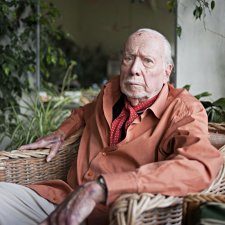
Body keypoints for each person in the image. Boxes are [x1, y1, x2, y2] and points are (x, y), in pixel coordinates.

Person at [0, 28, 223, 225]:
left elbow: (198, 166)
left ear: (167, 71)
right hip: (61, 198)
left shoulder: (183, 110)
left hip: (118, 215)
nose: (135, 69)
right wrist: (61, 133)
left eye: (147, 61)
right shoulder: (111, 91)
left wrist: (103, 186)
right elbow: (83, 113)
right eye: (129, 58)